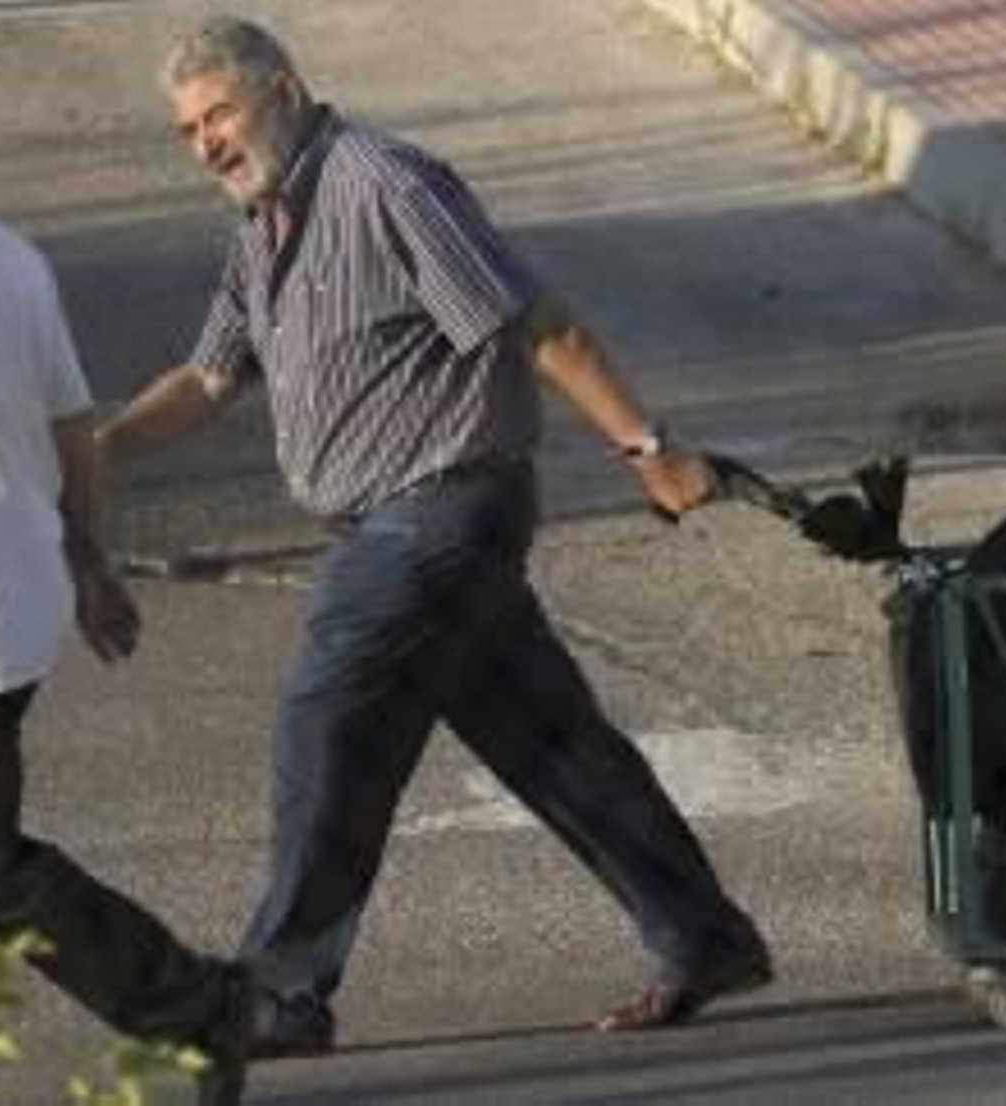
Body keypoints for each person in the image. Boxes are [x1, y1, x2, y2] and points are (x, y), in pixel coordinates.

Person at [98, 16, 771, 1057]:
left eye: (219, 113)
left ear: (284, 87)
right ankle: (705, 934)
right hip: (394, 523)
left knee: (327, 721)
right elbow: (206, 379)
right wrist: (93, 451)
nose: (207, 143)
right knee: (551, 741)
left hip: (440, 509)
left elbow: (536, 323)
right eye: (187, 129)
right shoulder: (262, 224)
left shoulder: (387, 185)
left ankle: (281, 992)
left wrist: (652, 451)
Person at [0, 217, 248, 1104]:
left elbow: (68, 431)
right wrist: (87, 561)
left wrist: (90, 562)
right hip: (16, 596)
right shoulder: (12, 258)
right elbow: (73, 430)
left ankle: (200, 1008)